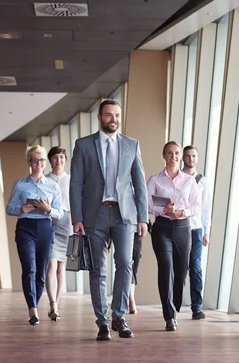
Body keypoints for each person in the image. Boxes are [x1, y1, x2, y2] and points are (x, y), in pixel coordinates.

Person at [69, 99, 148, 341]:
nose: (113, 119)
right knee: (97, 269)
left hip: (124, 215)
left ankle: (119, 317)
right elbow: (75, 184)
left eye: (116, 115)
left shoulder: (131, 145)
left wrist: (143, 218)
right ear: (100, 117)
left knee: (125, 263)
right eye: (109, 115)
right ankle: (102, 322)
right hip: (95, 214)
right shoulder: (83, 145)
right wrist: (77, 217)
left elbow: (140, 184)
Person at [6, 145, 63, 326]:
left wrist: (49, 209)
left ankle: (36, 303)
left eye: (42, 160)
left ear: (45, 163)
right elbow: (9, 208)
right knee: (29, 268)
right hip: (25, 227)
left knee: (41, 271)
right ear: (29, 162)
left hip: (46, 227)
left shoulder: (53, 186)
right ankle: (32, 308)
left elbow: (60, 213)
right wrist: (20, 209)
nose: (39, 163)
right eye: (35, 160)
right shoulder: (20, 184)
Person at [147, 141, 200, 331]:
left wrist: (182, 213)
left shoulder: (189, 181)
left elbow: (196, 206)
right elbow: (147, 205)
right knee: (166, 268)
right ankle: (169, 316)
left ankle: (175, 306)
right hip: (161, 228)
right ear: (164, 155)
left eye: (176, 153)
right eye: (169, 153)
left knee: (181, 272)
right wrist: (163, 209)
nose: (173, 156)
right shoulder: (154, 180)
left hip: (183, 227)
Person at [182, 145, 212, 320]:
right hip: (180, 227)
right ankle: (173, 306)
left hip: (197, 229)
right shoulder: (177, 179)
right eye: (188, 156)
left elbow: (206, 208)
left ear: (197, 158)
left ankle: (196, 307)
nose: (191, 159)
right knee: (179, 268)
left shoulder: (203, 182)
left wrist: (207, 231)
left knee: (196, 267)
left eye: (194, 156)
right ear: (183, 158)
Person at [44, 146, 71, 321]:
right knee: (51, 265)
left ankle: (56, 304)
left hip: (67, 222)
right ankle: (52, 303)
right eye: (55, 157)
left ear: (65, 160)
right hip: (49, 222)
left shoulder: (72, 180)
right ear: (50, 160)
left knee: (61, 267)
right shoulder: (45, 180)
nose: (58, 161)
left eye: (61, 157)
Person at [129, 233, 142, 314]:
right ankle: (131, 299)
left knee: (135, 260)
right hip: (122, 227)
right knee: (128, 262)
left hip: (137, 231)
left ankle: (130, 297)